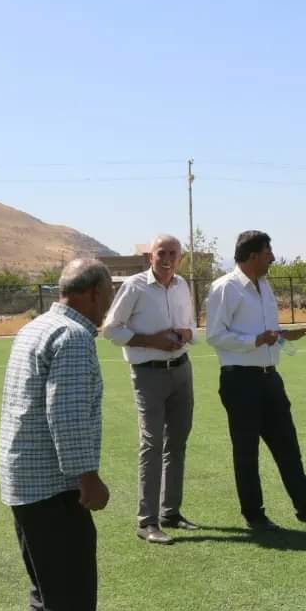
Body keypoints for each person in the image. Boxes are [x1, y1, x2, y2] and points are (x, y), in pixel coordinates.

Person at [0, 259, 115, 611]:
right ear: (92, 293)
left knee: (46, 584)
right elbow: (66, 416)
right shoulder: (72, 336)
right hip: (52, 486)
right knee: (71, 589)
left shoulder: (35, 327)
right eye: (109, 294)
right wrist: (88, 478)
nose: (109, 304)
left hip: (24, 480)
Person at [205, 230, 306, 531]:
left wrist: (283, 336)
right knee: (247, 452)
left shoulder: (264, 286)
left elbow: (267, 333)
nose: (273, 258)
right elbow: (215, 336)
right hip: (240, 381)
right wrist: (255, 340)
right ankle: (254, 515)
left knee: (288, 446)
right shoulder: (225, 288)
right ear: (253, 256)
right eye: (268, 253)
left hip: (270, 378)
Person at [102, 234, 198, 545]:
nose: (167, 258)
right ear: (150, 257)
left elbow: (192, 326)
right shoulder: (135, 286)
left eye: (173, 253)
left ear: (180, 257)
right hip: (148, 374)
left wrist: (186, 334)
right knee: (152, 444)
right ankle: (147, 522)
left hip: (181, 370)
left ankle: (171, 512)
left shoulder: (182, 285)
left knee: (178, 442)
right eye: (162, 253)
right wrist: (151, 341)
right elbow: (110, 329)